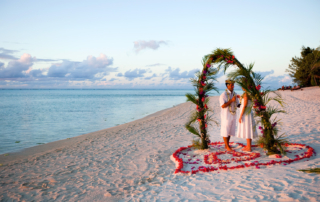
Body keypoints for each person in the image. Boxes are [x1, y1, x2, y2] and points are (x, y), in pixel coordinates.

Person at [220, 80, 240, 151]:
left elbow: (238, 104)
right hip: (226, 115)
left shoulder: (235, 94)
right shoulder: (223, 94)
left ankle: (227, 145)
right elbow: (223, 105)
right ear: (227, 85)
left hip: (233, 114)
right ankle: (227, 146)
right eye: (231, 85)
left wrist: (244, 102)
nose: (233, 86)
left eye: (233, 85)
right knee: (225, 130)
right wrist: (231, 100)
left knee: (230, 130)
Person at [237, 87, 258, 152]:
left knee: (247, 129)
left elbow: (245, 105)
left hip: (246, 114)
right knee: (248, 129)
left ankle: (249, 147)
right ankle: (248, 146)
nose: (241, 87)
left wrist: (240, 115)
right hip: (248, 112)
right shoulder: (248, 93)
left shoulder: (246, 94)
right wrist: (240, 97)